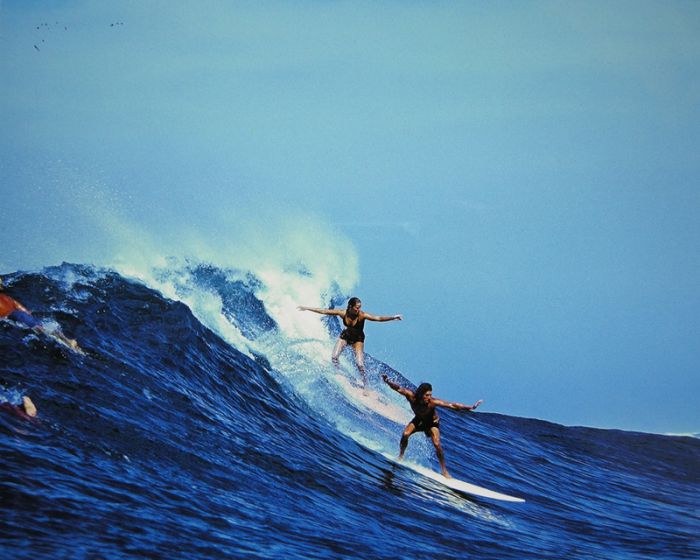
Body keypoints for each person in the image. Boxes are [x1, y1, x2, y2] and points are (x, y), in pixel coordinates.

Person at [382, 373, 482, 478]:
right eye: (427, 395)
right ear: (421, 394)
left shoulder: (432, 402)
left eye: (430, 395)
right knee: (405, 434)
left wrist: (469, 407)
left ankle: (444, 471)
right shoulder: (411, 396)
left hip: (432, 424)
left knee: (437, 444)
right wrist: (387, 381)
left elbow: (451, 405)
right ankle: (401, 456)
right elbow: (398, 388)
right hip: (419, 420)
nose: (429, 397)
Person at [298, 297, 402, 389]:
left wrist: (393, 317)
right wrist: (306, 308)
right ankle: (339, 374)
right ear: (350, 306)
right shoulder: (343, 313)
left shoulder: (362, 315)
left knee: (360, 365)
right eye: (357, 307)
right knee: (334, 357)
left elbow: (378, 318)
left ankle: (366, 384)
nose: (359, 309)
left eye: (359, 307)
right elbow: (324, 311)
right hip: (346, 336)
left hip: (358, 340)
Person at [0, 277, 82, 353]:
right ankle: (67, 340)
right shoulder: (7, 298)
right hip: (22, 315)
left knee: (41, 330)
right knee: (42, 327)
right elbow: (24, 310)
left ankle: (68, 342)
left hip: (16, 316)